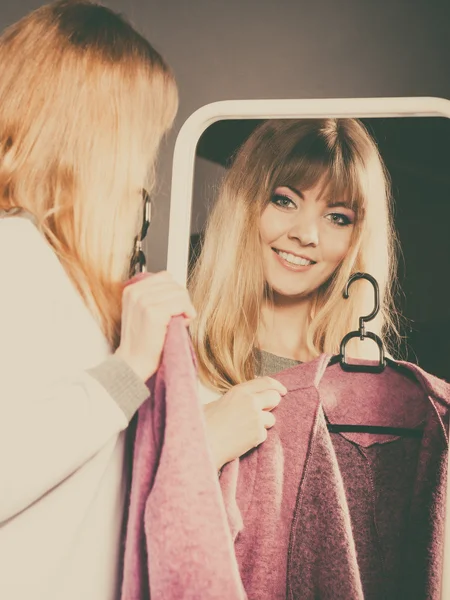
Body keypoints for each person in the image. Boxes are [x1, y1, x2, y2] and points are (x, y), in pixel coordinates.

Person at [0, 2, 195, 599]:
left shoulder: (49, 263)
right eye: (142, 140)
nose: (144, 171)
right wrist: (126, 369)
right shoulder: (14, 253)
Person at [188, 118, 399, 471]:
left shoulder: (382, 392)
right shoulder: (173, 351)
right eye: (285, 201)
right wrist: (201, 448)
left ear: (358, 239)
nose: (306, 234)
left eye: (337, 217)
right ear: (245, 205)